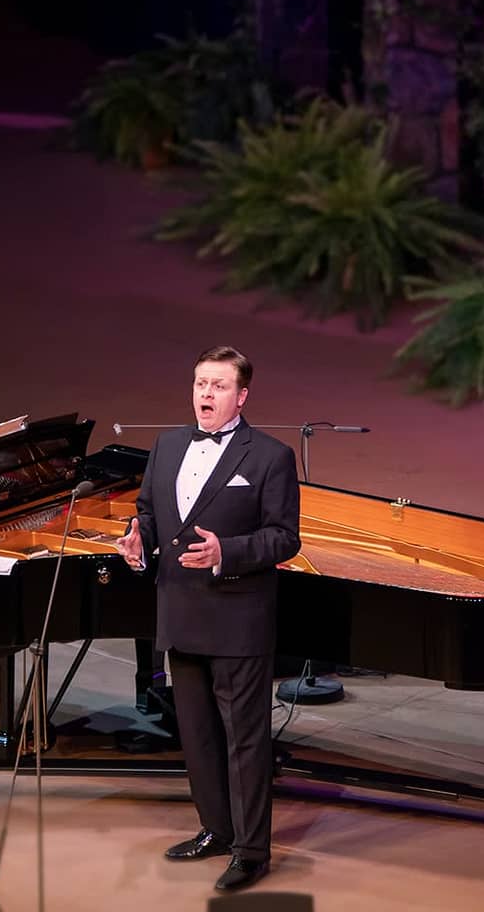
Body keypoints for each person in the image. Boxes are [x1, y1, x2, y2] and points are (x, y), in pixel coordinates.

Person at [114, 346, 300, 893]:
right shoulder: (168, 445)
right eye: (200, 384)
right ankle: (215, 830)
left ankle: (251, 851)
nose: (206, 395)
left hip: (237, 616)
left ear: (242, 396)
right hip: (180, 608)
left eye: (218, 386)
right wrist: (137, 539)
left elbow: (284, 536)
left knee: (244, 739)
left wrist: (228, 552)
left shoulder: (270, 456)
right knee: (195, 734)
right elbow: (149, 512)